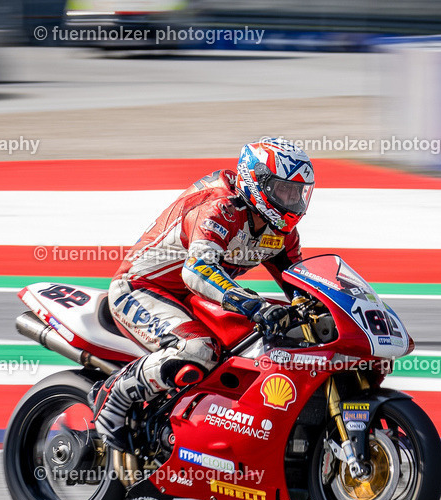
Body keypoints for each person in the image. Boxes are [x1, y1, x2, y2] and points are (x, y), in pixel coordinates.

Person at [89, 137, 315, 449]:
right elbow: (197, 270)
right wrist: (255, 306)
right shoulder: (219, 207)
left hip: (195, 300)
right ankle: (115, 393)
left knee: (260, 342)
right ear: (256, 180)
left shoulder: (281, 233)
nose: (291, 201)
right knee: (198, 350)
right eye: (284, 190)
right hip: (142, 290)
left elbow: (299, 284)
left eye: (297, 193)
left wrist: (314, 307)